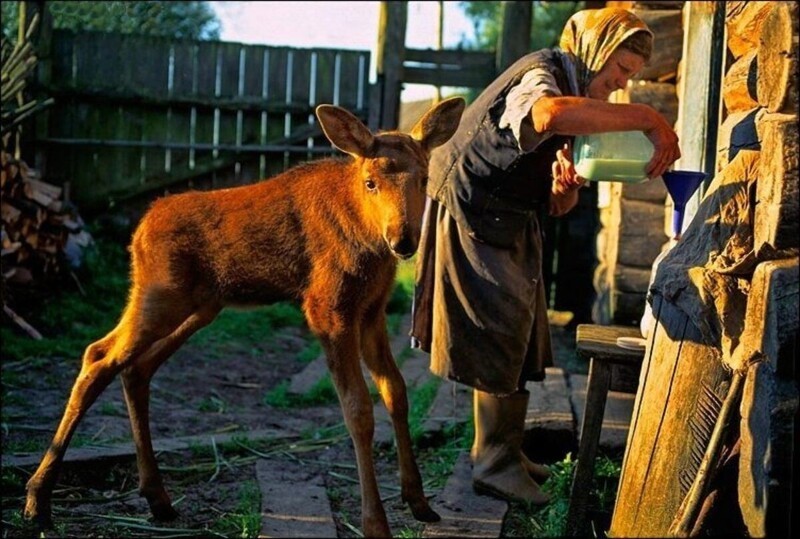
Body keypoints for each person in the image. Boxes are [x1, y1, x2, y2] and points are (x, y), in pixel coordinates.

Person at [410, 7, 681, 504]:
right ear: (595, 52)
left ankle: (504, 452)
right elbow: (546, 116)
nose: (620, 85)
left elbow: (559, 202)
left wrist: (564, 189)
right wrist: (649, 117)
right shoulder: (543, 76)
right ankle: (492, 463)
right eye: (618, 70)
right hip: (473, 206)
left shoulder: (577, 94)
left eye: (630, 78)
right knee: (498, 323)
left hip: (510, 213)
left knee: (517, 328)